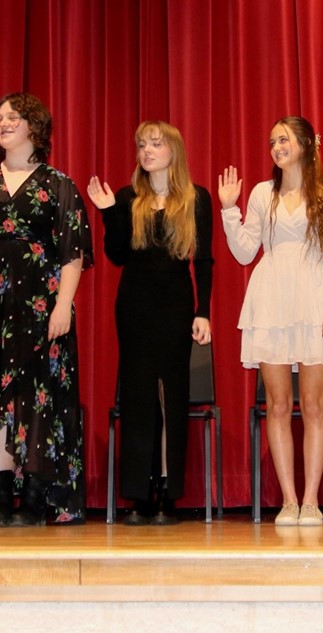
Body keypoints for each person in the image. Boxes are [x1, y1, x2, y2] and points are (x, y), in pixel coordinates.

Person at [0, 92, 92, 526]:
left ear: (35, 127)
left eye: (14, 117)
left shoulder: (58, 184)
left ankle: (33, 499)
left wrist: (64, 305)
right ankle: (1, 500)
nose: (4, 123)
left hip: (41, 305)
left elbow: (73, 253)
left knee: (37, 395)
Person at [219, 116, 323, 527]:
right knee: (277, 405)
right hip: (272, 302)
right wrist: (229, 210)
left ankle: (312, 500)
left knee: (314, 404)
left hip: (315, 300)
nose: (277, 146)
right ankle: (289, 501)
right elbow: (245, 252)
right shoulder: (263, 193)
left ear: (306, 144)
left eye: (284, 139)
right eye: (272, 140)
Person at [87, 121, 213, 525]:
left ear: (173, 151)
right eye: (142, 144)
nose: (147, 151)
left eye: (155, 144)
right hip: (135, 306)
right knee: (139, 395)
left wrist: (204, 310)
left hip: (177, 304)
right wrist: (108, 213)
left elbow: (204, 260)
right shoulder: (127, 197)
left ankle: (167, 490)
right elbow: (118, 254)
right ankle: (139, 493)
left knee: (170, 396)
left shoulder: (196, 198)